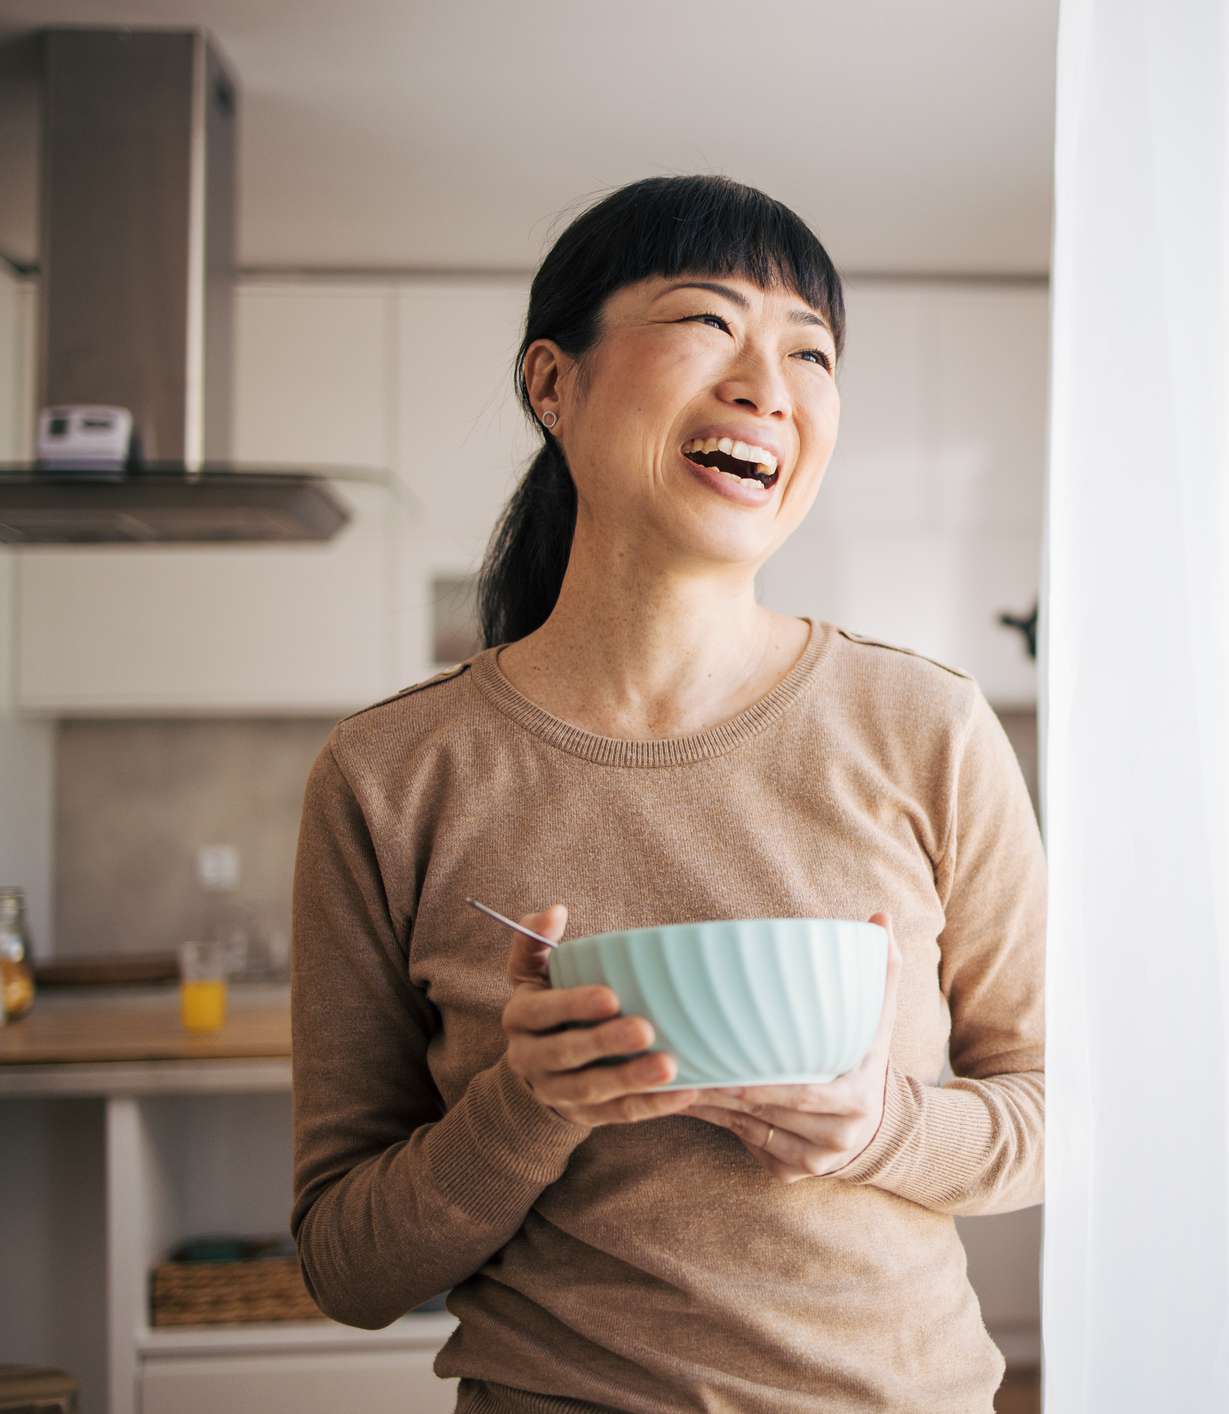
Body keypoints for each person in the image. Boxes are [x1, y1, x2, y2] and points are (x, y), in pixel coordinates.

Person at [287, 174, 1045, 1413]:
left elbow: (1056, 1107)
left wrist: (879, 1130)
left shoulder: (929, 726)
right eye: (708, 322)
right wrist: (526, 1108)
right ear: (553, 383)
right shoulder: (388, 778)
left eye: (812, 351)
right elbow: (346, 1265)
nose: (771, 385)